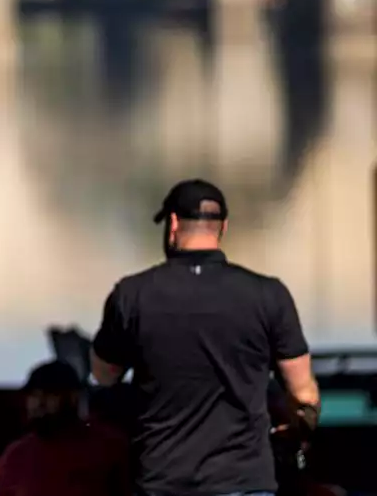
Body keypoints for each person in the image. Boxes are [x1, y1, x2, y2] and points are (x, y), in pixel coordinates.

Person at [91, 179, 321, 496]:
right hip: (244, 481)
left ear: (172, 223)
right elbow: (304, 396)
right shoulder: (269, 295)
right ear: (222, 227)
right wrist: (299, 431)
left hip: (162, 481)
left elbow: (103, 376)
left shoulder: (132, 295)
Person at [0, 360, 131, 496]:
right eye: (34, 395)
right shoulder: (15, 456)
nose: (39, 403)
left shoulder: (107, 446)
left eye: (49, 394)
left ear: (73, 397)